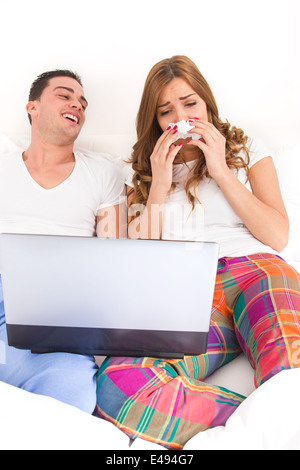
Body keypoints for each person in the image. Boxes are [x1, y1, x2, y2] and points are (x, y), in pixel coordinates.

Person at [95, 56, 300, 448]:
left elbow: (277, 234)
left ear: (206, 103)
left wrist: (220, 168)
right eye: (166, 111)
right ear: (154, 120)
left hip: (256, 268)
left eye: (189, 104)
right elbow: (133, 255)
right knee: (117, 388)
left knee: (291, 363)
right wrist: (157, 181)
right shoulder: (137, 169)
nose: (180, 117)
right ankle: (263, 427)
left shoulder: (246, 144)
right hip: (185, 288)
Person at [0, 70, 125, 413]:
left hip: (56, 310)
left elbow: (113, 257)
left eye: (82, 102)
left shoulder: (103, 173)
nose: (77, 105)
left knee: (71, 396)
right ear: (33, 107)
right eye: (64, 95)